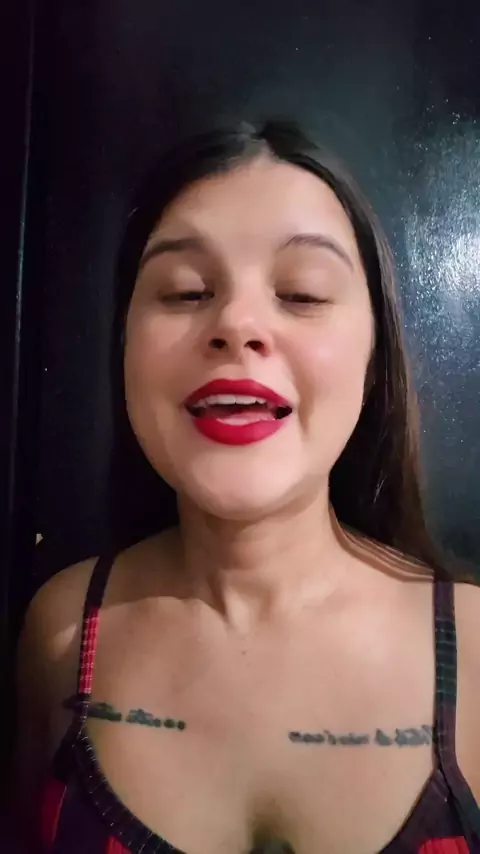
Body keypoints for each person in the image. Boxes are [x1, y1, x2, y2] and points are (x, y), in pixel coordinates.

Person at [13, 120, 480, 854]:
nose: (236, 323)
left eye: (301, 293)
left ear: (374, 355)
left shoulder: (476, 647)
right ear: (125, 345)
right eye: (186, 291)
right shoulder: (63, 632)